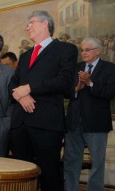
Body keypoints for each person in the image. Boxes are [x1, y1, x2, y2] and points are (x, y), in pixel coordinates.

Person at [8, 10, 78, 191]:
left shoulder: (65, 49)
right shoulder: (24, 56)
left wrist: (30, 88)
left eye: (31, 22)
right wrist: (21, 95)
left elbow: (64, 81)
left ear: (45, 23)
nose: (27, 27)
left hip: (46, 124)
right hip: (20, 123)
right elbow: (13, 84)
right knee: (22, 174)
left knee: (49, 173)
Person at [64, 37, 115, 191]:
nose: (83, 53)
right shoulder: (76, 67)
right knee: (71, 160)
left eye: (87, 50)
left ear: (98, 51)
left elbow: (110, 93)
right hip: (74, 122)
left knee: (97, 162)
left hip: (96, 123)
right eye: (82, 50)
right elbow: (66, 92)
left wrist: (90, 83)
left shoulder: (110, 68)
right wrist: (76, 89)